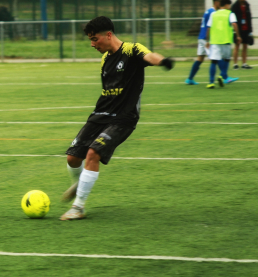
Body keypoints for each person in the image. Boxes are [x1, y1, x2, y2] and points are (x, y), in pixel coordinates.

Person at [59, 16, 175, 221]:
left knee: (93, 153)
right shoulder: (105, 59)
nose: (92, 44)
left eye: (95, 39)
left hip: (123, 117)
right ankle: (80, 184)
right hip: (100, 114)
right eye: (90, 40)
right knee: (72, 158)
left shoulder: (131, 50)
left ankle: (79, 207)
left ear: (109, 35)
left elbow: (150, 56)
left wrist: (163, 61)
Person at [185, 0, 222, 85]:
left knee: (200, 59)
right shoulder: (213, 12)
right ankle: (224, 76)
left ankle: (189, 79)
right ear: (216, 2)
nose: (221, 4)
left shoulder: (208, 11)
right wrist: (209, 39)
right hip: (206, 38)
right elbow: (210, 27)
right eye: (220, 2)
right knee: (215, 57)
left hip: (201, 37)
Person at [205, 0, 241, 89]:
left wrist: (207, 41)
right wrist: (238, 36)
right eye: (229, 5)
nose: (229, 7)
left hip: (215, 41)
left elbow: (208, 28)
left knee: (213, 61)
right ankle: (222, 75)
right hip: (226, 41)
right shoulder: (230, 14)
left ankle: (211, 82)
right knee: (227, 59)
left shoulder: (213, 14)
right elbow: (234, 24)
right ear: (226, 5)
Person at [231, 0, 253, 69]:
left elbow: (249, 18)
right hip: (238, 29)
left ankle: (244, 63)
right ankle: (235, 64)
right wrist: (235, 31)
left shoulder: (247, 5)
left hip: (246, 29)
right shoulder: (235, 6)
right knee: (237, 46)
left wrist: (250, 31)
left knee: (245, 46)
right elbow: (233, 19)